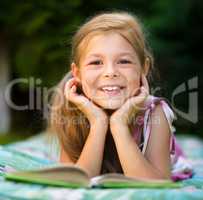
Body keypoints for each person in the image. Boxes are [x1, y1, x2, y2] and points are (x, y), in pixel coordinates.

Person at [49, 11, 193, 180]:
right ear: (77, 73)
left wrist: (119, 126)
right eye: (96, 62)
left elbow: (156, 184)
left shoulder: (155, 112)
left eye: (124, 61)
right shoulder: (72, 111)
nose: (110, 72)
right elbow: (76, 180)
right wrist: (98, 123)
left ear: (143, 68)